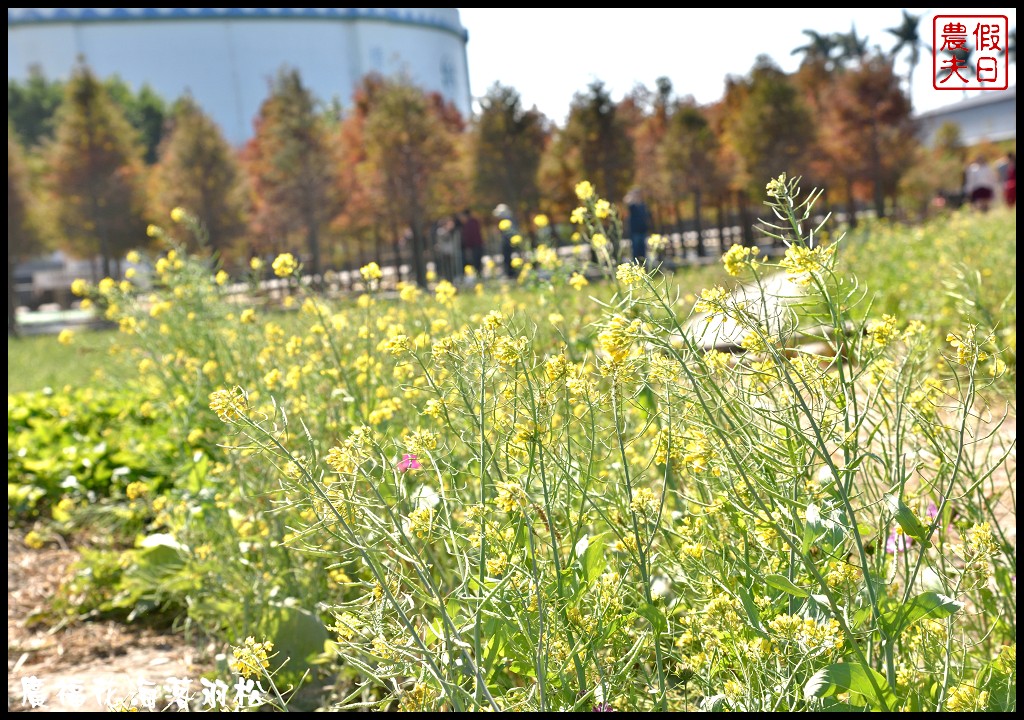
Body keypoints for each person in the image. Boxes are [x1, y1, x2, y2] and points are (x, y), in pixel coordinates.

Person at [626, 189, 652, 264]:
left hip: (643, 230)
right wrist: (631, 195)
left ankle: (643, 264)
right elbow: (626, 201)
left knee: (643, 249)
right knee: (635, 249)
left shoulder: (643, 205)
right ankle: (635, 264)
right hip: (635, 231)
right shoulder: (632, 206)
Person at [493, 203, 518, 279]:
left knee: (509, 258)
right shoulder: (506, 221)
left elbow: (512, 233)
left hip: (510, 243)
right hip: (507, 243)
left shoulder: (509, 221)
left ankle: (511, 274)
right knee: (507, 259)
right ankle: (510, 274)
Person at [434, 214, 462, 282]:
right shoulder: (441, 231)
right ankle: (447, 280)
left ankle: (453, 279)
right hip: (444, 252)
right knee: (446, 268)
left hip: (451, 252)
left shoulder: (453, 231)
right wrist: (449, 230)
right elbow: (445, 238)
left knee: (452, 267)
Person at [459, 208, 484, 279]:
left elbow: (469, 236)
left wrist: (467, 246)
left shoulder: (469, 224)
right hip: (478, 245)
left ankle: (478, 277)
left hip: (474, 246)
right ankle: (479, 276)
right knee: (477, 263)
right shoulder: (475, 222)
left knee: (476, 263)